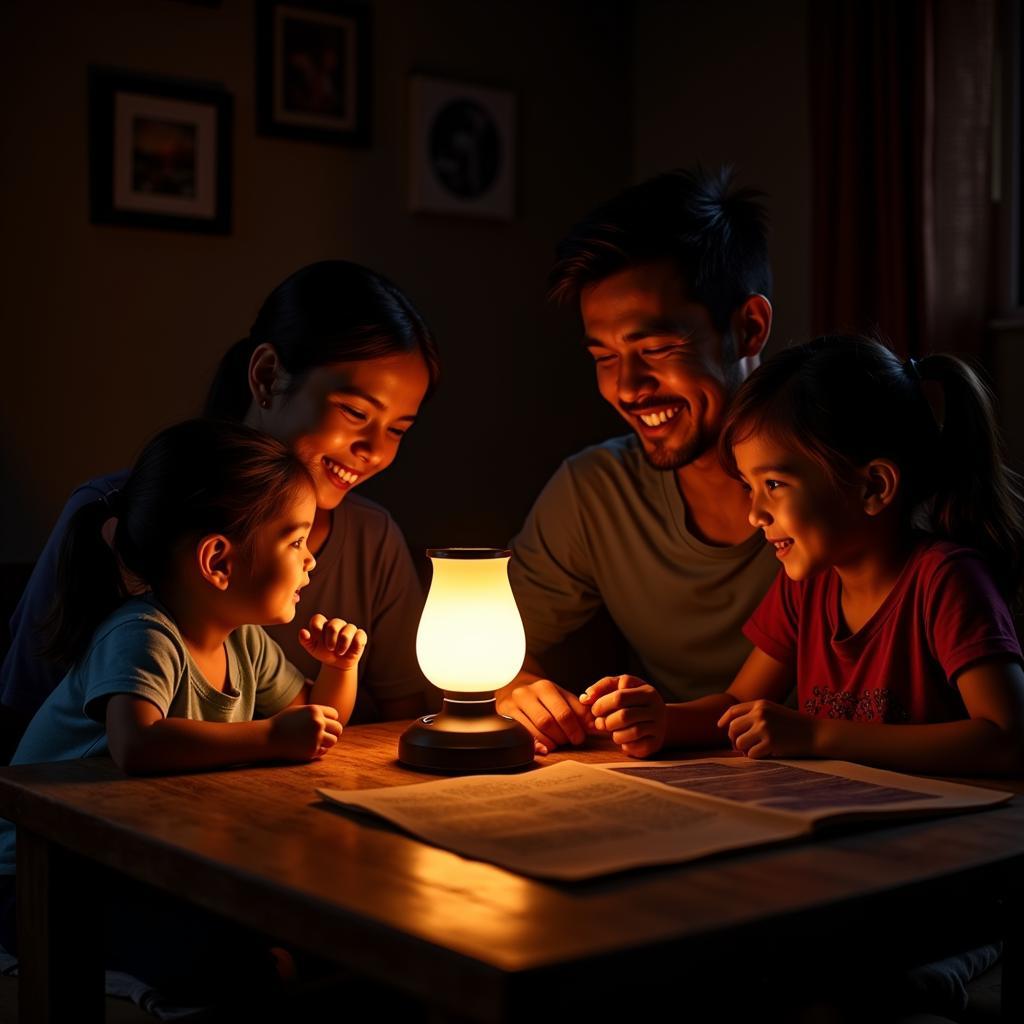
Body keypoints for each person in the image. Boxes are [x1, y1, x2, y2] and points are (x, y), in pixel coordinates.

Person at [0, 260, 440, 747]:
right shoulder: (127, 520)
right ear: (269, 375)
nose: (376, 450)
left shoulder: (368, 540)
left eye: (398, 430)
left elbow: (386, 724)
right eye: (355, 412)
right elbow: (35, 728)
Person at [0, 419, 367, 1000]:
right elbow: (137, 744)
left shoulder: (243, 640)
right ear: (219, 560)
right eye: (295, 541)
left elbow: (316, 725)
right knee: (224, 962)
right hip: (40, 872)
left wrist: (338, 670)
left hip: (125, 860)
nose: (310, 562)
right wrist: (271, 737)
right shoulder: (142, 633)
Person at [582, 335, 1024, 777]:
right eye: (749, 488)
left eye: (773, 484)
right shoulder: (807, 588)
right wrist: (663, 719)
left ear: (873, 487)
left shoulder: (946, 581)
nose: (755, 513)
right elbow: (737, 703)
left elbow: (1006, 739)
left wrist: (817, 736)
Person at [499, 167, 778, 753]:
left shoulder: (844, 482)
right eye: (603, 356)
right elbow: (497, 648)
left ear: (749, 328)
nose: (627, 387)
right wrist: (514, 689)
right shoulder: (594, 492)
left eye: (655, 349)